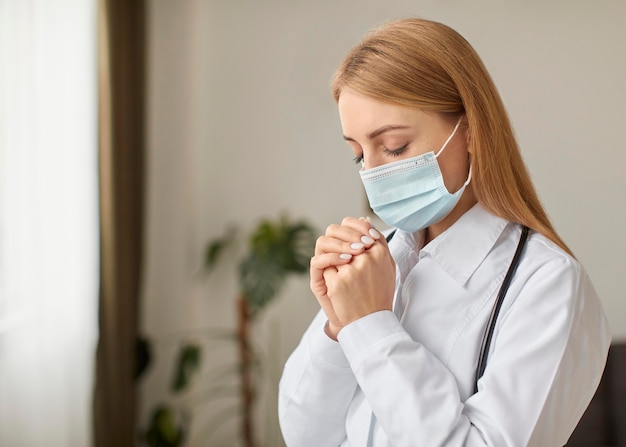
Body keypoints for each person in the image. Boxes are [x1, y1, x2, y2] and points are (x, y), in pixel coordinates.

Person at [277, 17, 611, 447]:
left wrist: (371, 326)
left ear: (471, 130)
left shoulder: (548, 285)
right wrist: (338, 325)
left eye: (395, 146)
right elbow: (305, 435)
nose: (375, 174)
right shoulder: (378, 260)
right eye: (359, 156)